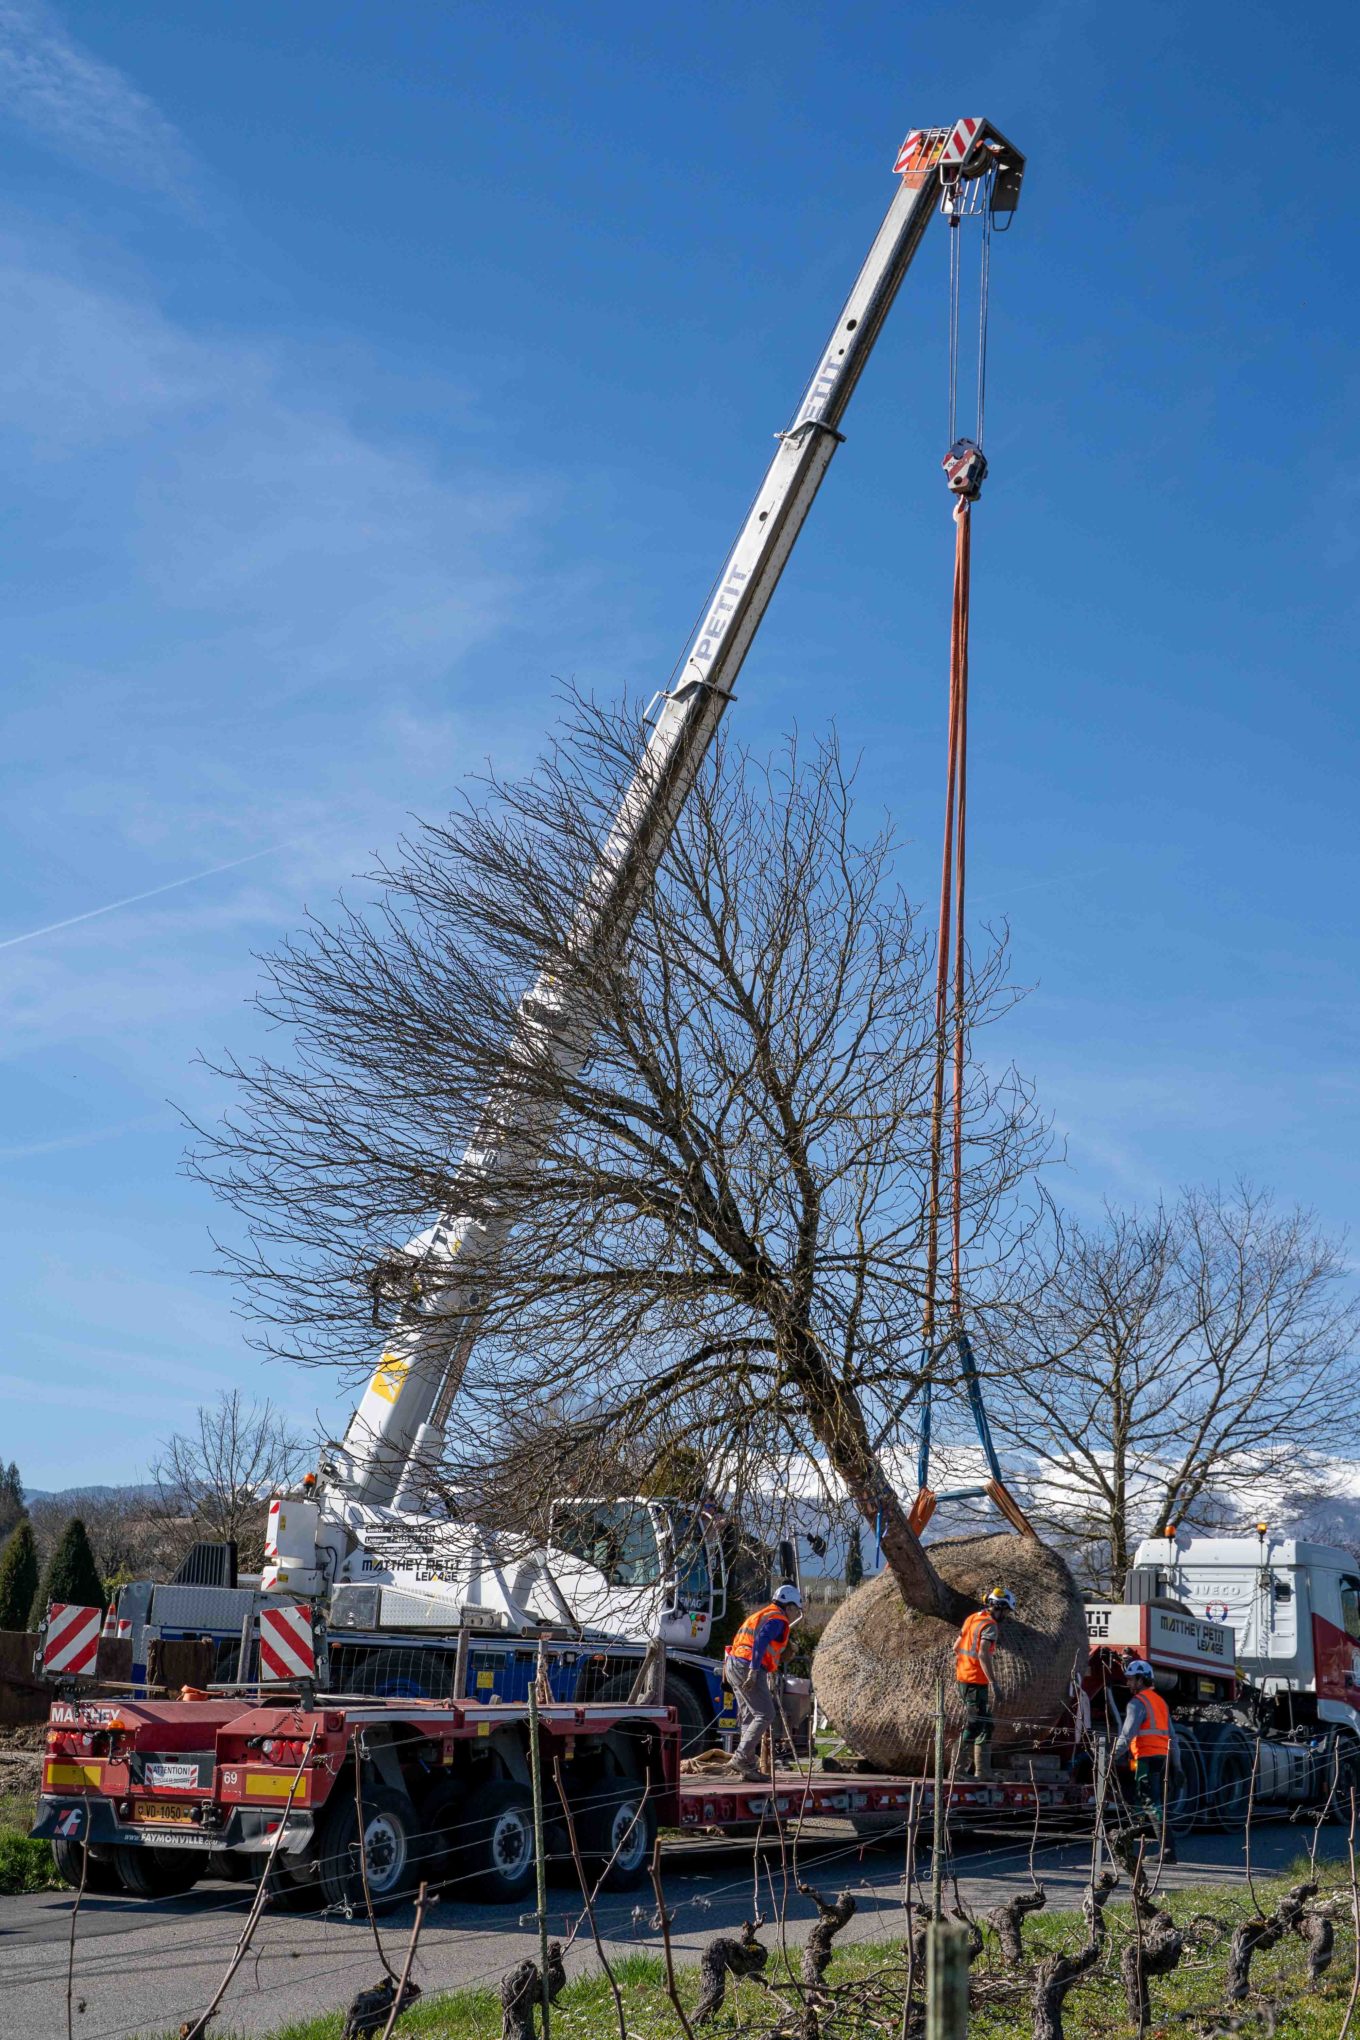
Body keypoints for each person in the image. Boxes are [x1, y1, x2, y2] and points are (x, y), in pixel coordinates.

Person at [722, 1583, 803, 1779]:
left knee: (749, 1717)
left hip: (733, 1663)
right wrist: (754, 1670)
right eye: (796, 1610)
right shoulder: (779, 1619)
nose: (795, 1616)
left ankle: (747, 1767)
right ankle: (741, 1758)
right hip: (748, 1666)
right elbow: (760, 1640)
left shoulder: (762, 1614)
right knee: (765, 1713)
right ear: (789, 1607)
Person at [1113, 1657, 1182, 1862]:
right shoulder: (1160, 1702)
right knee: (1148, 1800)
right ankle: (1155, 1846)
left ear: (1141, 1679)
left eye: (1131, 1679)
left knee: (1149, 1802)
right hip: (1160, 1757)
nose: (1128, 1683)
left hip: (1145, 1757)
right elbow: (1173, 1736)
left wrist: (1109, 1757)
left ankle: (1167, 1851)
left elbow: (1127, 1735)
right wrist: (1177, 1766)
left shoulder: (1137, 1703)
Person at [954, 1586, 1016, 1779]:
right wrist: (994, 1682)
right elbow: (982, 1653)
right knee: (974, 1723)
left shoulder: (972, 1618)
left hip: (966, 1678)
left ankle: (983, 1771)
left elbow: (956, 1647)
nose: (1006, 1615)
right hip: (974, 1681)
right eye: (1006, 1611)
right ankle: (957, 1771)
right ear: (998, 1607)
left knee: (986, 1724)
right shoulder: (990, 1625)